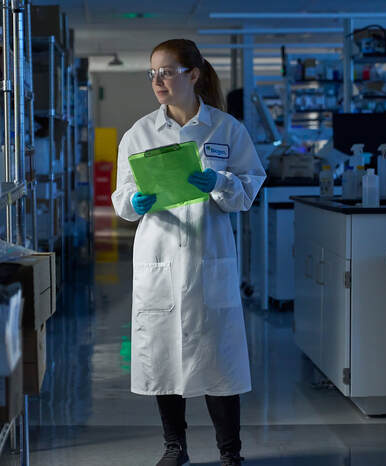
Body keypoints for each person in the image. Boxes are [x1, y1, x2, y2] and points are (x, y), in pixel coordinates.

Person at [111, 39, 266, 466]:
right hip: (159, 254)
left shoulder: (227, 130)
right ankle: (174, 448)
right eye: (153, 73)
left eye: (167, 72)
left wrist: (218, 182)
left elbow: (247, 190)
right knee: (162, 354)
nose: (158, 81)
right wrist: (133, 203)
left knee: (220, 357)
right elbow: (122, 197)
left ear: (193, 75)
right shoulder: (139, 133)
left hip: (207, 254)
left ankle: (229, 452)